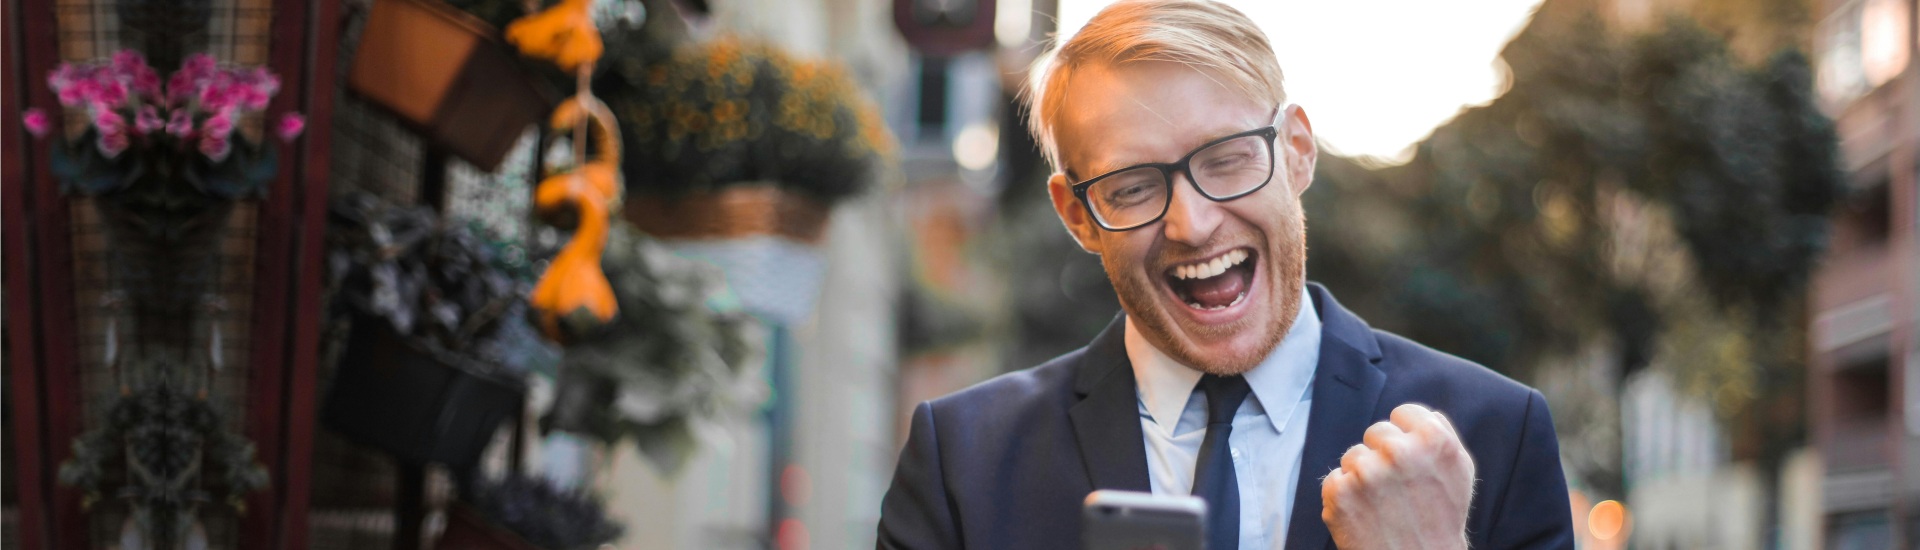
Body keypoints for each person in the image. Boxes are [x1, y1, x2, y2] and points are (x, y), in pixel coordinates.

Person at [876, 1, 1575, 549]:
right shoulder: (962, 459)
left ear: (1298, 152)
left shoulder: (1496, 434)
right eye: (1132, 186)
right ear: (1077, 215)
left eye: (1227, 159)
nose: (1193, 223)